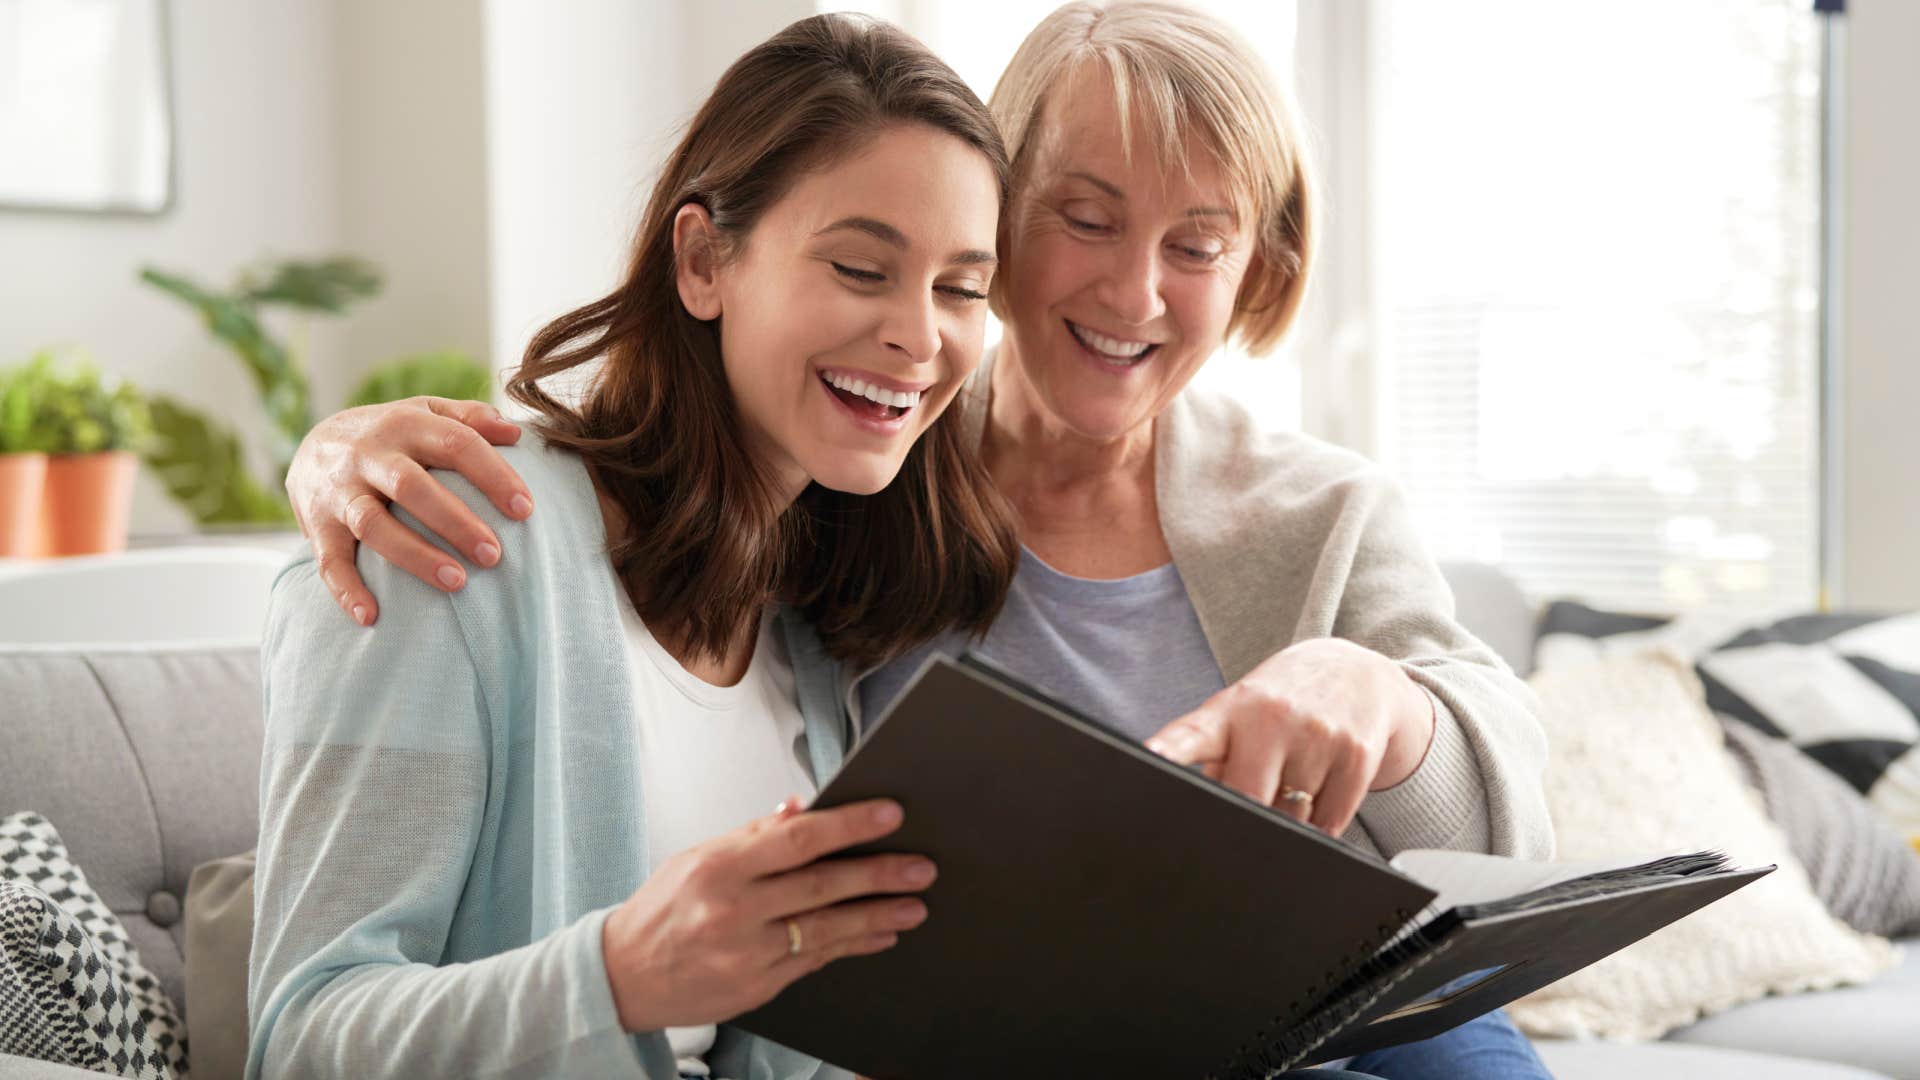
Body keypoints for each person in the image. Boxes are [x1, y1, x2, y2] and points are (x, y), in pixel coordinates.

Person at [280, 3, 1558, 1077]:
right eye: (1086, 218)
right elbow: (310, 1027)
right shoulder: (821, 505)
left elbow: (1509, 821)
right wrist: (330, 452)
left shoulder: (838, 545)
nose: (1131, 293)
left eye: (1196, 246)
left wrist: (1379, 694)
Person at [250, 15, 1034, 1080]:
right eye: (860, 267)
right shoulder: (442, 539)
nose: (920, 335)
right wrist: (618, 977)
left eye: (962, 289)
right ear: (704, 261)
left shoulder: (812, 630)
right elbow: (301, 1041)